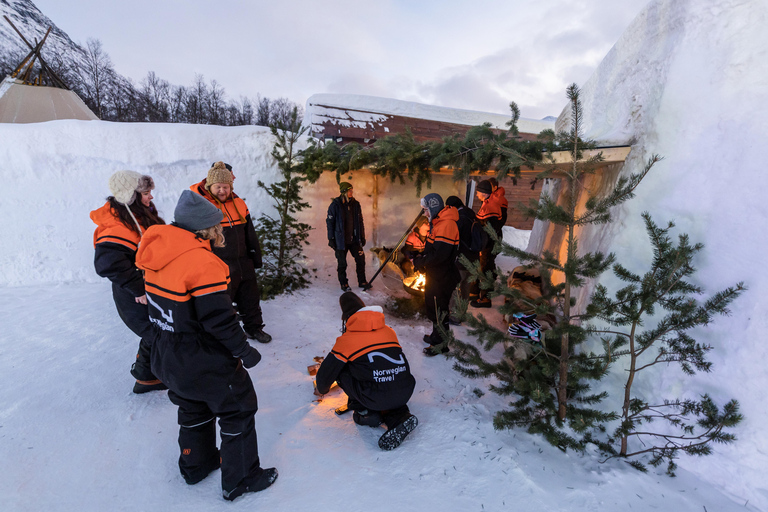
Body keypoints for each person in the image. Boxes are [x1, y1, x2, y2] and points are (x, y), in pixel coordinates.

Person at [136, 190, 277, 501]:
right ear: (204, 228)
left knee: (192, 404)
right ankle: (240, 479)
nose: (222, 230)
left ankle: (195, 464)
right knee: (238, 407)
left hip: (165, 350)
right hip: (200, 356)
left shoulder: (157, 251)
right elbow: (218, 320)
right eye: (217, 226)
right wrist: (244, 351)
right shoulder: (202, 263)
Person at [90, 170, 167, 394]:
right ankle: (150, 377)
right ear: (130, 196)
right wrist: (138, 289)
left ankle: (147, 377)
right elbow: (108, 264)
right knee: (156, 332)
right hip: (134, 292)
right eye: (145, 192)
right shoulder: (118, 226)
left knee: (156, 330)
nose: (150, 197)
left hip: (149, 286)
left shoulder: (138, 215)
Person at [316, 292, 418, 450]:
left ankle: (366, 412)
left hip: (376, 397)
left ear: (347, 319)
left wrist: (321, 389)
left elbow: (325, 375)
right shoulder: (389, 331)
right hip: (406, 390)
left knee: (341, 369)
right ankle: (399, 416)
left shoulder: (347, 340)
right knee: (382, 375)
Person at [191, 161, 271, 343]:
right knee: (223, 304)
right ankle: (225, 336)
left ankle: (254, 329)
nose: (222, 191)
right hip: (219, 265)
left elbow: (249, 232)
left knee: (250, 299)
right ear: (210, 186)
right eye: (218, 187)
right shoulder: (203, 207)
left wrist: (255, 258)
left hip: (243, 261)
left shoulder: (239, 203)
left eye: (225, 187)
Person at [412, 193, 460, 356]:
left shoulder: (446, 225)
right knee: (434, 306)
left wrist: (421, 262)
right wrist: (421, 258)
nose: (425, 214)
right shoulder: (439, 222)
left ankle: (441, 344)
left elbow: (440, 255)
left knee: (439, 309)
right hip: (436, 274)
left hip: (442, 276)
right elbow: (433, 250)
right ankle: (436, 336)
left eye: (426, 210)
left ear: (433, 207)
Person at [327, 181, 371, 292]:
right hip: (340, 241)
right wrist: (331, 238)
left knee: (360, 259)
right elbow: (330, 223)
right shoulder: (335, 205)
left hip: (354, 239)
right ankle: (344, 283)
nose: (352, 192)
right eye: (350, 190)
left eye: (352, 190)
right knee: (342, 263)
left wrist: (362, 236)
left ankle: (362, 281)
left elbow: (360, 221)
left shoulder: (356, 205)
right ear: (344, 192)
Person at [445, 196, 481, 325]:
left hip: (462, 260)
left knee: (456, 287)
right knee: (466, 287)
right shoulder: (472, 215)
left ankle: (454, 316)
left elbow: (455, 240)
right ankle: (462, 314)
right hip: (474, 259)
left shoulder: (460, 219)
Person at [471, 179, 505, 308]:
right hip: (489, 243)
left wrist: (481, 246)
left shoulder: (490, 207)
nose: (476, 195)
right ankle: (481, 294)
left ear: (484, 193)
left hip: (488, 244)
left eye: (478, 192)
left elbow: (487, 230)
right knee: (487, 267)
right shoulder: (488, 203)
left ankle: (485, 299)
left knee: (485, 269)